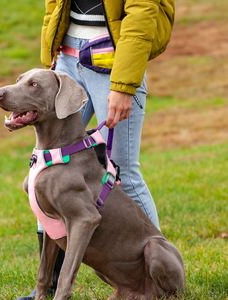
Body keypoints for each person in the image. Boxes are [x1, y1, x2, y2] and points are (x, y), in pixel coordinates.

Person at [16, 0, 174, 299]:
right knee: (48, 169)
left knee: (122, 172)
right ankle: (47, 286)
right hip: (65, 55)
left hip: (112, 58)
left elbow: (142, 13)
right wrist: (52, 50)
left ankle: (155, 278)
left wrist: (124, 84)